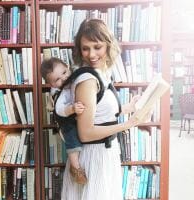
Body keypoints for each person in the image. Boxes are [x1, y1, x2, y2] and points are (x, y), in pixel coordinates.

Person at [61, 18, 144, 200]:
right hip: (94, 156)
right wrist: (126, 125)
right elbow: (86, 133)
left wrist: (128, 107)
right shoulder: (88, 81)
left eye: (97, 47)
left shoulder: (101, 74)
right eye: (85, 48)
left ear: (108, 45)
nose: (91, 54)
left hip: (105, 155)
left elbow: (100, 113)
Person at [40, 57, 88, 184]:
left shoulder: (73, 77)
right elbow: (59, 110)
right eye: (57, 80)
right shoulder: (59, 93)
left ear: (68, 68)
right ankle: (76, 168)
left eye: (64, 73)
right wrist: (72, 109)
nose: (64, 78)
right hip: (66, 121)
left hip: (76, 116)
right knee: (72, 141)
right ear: (52, 84)